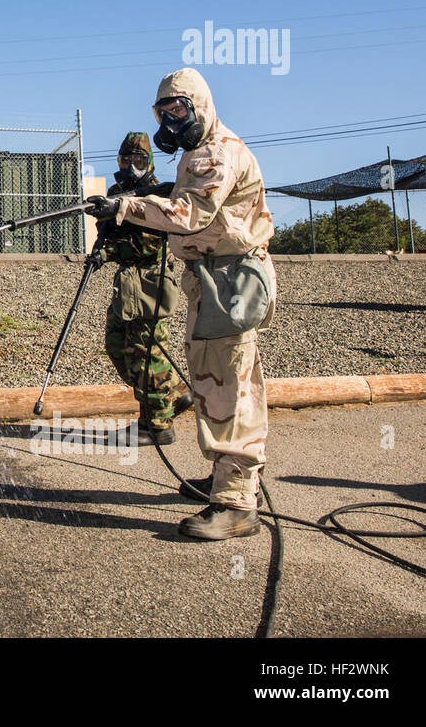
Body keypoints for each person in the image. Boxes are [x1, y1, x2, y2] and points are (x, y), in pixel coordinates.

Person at [88, 69, 276, 540]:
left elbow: (191, 214)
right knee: (215, 379)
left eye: (179, 110)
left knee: (227, 386)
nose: (172, 121)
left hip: (228, 281)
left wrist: (126, 207)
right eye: (164, 112)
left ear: (200, 106)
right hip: (212, 280)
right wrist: (141, 198)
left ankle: (235, 503)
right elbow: (183, 200)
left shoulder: (215, 154)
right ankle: (227, 481)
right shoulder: (197, 154)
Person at [98, 132, 190, 446]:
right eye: (126, 160)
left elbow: (147, 245)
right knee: (116, 345)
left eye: (139, 161)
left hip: (151, 281)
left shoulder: (158, 195)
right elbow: (112, 236)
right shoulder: (115, 192)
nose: (132, 167)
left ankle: (157, 425)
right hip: (127, 285)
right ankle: (172, 393)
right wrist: (104, 236)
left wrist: (113, 246)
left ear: (148, 162)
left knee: (147, 352)